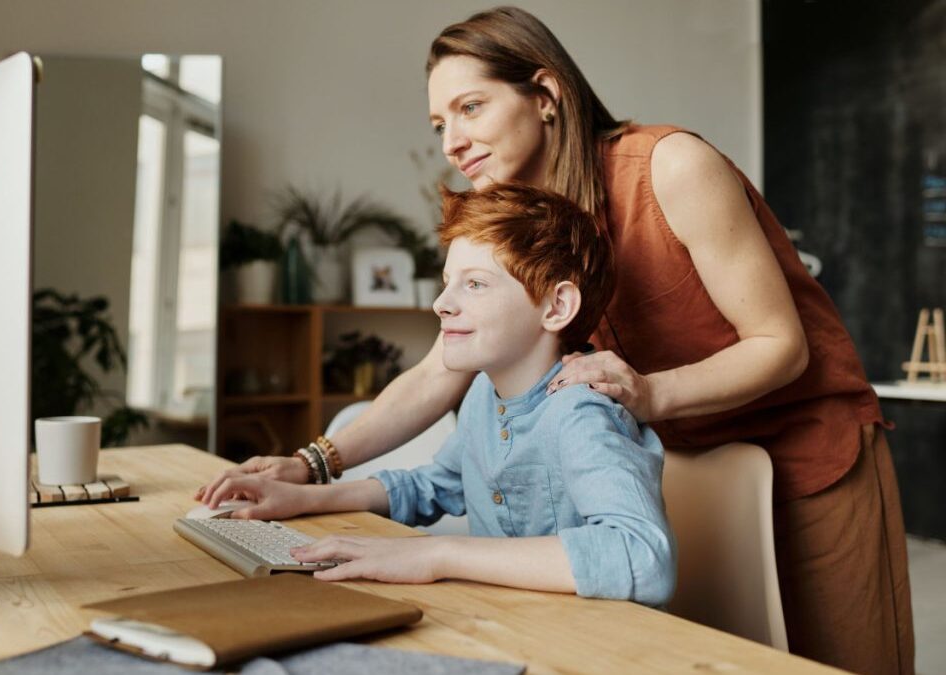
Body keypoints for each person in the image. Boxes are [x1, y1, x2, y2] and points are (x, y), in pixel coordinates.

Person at [198, 7, 912, 673]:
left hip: (809, 453)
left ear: (545, 93)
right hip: (684, 459)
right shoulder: (515, 217)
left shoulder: (671, 167)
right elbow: (437, 371)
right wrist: (310, 463)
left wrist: (649, 391)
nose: (451, 141)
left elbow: (780, 344)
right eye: (439, 122)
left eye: (470, 107)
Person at [201, 183, 676, 603]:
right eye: (449, 282)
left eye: (474, 284)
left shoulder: (581, 411)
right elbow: (435, 486)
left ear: (556, 306)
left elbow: (642, 556)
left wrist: (438, 554)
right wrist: (302, 497)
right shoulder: (483, 397)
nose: (442, 303)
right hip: (505, 623)